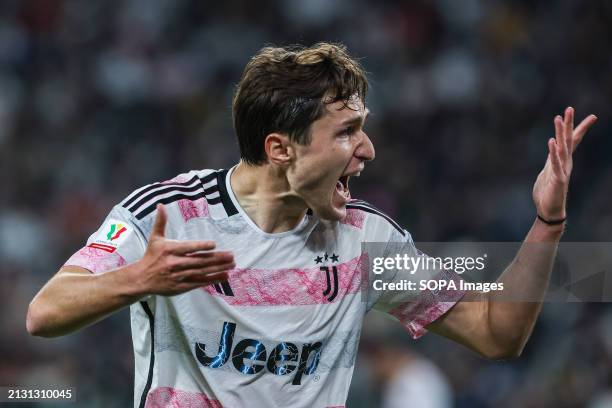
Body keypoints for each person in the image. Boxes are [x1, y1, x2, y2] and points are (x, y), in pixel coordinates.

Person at [27, 43, 597, 408]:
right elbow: (45, 313)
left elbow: (498, 334)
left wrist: (547, 222)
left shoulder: (365, 239)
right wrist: (140, 279)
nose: (368, 150)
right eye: (346, 132)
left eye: (362, 128)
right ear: (280, 147)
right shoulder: (171, 213)